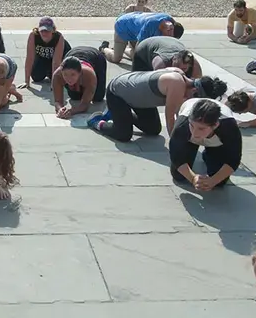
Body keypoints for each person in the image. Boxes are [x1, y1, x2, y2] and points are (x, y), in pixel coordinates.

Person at [90, 69, 220, 141]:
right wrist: (176, 143)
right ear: (195, 90)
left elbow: (180, 114)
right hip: (118, 93)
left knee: (153, 129)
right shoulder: (176, 84)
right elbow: (170, 118)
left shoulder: (183, 79)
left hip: (139, 98)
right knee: (123, 135)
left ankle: (119, 115)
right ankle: (97, 121)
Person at [169, 92, 242, 191]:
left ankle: (209, 154)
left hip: (216, 143)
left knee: (220, 183)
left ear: (215, 125)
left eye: (201, 128)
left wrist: (213, 181)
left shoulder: (229, 127)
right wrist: (193, 178)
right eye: (192, 126)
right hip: (189, 140)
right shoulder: (182, 125)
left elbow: (233, 159)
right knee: (179, 176)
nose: (194, 133)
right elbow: (176, 156)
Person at [102, 11, 183, 65]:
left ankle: (123, 49)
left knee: (135, 56)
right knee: (116, 59)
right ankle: (104, 48)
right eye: (169, 37)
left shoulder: (170, 21)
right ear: (169, 29)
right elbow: (139, 50)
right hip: (123, 25)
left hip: (136, 28)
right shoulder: (150, 25)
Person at [54, 47, 107, 118]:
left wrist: (72, 111)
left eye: (73, 74)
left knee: (98, 97)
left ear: (80, 73)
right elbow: (57, 101)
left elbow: (85, 105)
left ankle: (104, 49)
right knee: (75, 96)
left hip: (96, 57)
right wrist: (60, 109)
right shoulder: (57, 75)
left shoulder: (89, 74)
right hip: (72, 53)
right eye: (65, 74)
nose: (69, 78)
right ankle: (83, 86)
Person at [23, 17, 67, 87]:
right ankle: (47, 72)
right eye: (42, 31)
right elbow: (29, 58)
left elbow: (56, 61)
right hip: (42, 57)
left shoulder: (58, 37)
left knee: (56, 76)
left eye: (47, 31)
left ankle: (51, 75)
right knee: (36, 77)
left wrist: (54, 84)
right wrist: (26, 81)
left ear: (53, 30)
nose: (44, 33)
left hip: (59, 59)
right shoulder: (33, 35)